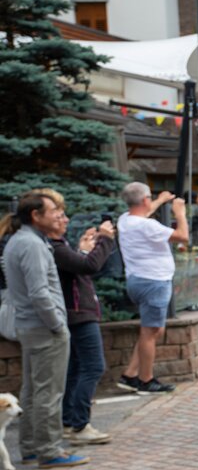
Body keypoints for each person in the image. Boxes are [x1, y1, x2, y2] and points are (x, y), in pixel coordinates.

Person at [1, 192, 87, 468]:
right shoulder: (32, 245)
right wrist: (57, 324)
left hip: (30, 327)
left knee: (33, 389)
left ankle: (30, 448)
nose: (59, 214)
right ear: (36, 216)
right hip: (43, 328)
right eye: (53, 210)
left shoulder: (21, 241)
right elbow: (39, 293)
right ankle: (49, 451)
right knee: (49, 391)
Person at [39, 189, 114, 446]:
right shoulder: (55, 248)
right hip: (79, 315)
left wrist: (83, 250)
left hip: (76, 313)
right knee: (93, 366)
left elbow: (79, 269)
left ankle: (69, 422)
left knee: (74, 370)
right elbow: (89, 267)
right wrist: (105, 240)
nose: (66, 220)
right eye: (59, 216)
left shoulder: (59, 247)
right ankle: (80, 425)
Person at [116, 182, 189, 394]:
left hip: (137, 280)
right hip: (154, 282)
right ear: (145, 200)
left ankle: (130, 374)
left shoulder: (125, 220)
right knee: (151, 331)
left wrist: (160, 200)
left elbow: (144, 210)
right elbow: (182, 236)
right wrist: (180, 213)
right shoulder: (149, 226)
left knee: (154, 329)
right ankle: (146, 381)